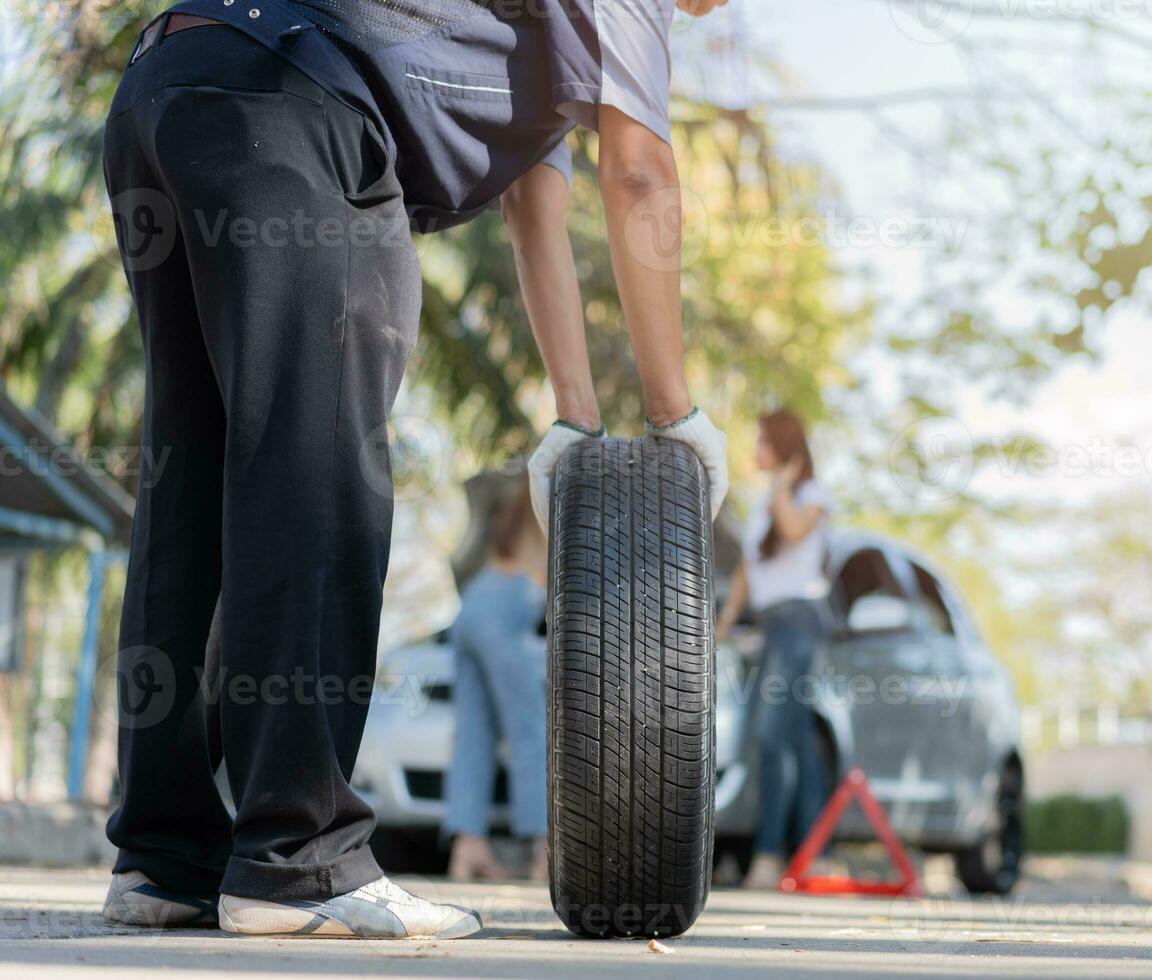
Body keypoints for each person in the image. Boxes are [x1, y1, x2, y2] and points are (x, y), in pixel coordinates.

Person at [100, 0, 728, 939]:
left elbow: (534, 204)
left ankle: (165, 856)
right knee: (315, 472)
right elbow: (637, 176)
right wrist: (677, 410)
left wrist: (577, 419)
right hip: (300, 109)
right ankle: (296, 860)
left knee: (189, 474)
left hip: (170, 83)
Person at [715, 410, 833, 890]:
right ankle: (814, 855)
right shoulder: (764, 504)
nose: (755, 450)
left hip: (800, 621)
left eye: (762, 442)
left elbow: (794, 532)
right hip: (773, 625)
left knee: (769, 736)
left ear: (784, 448)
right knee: (799, 743)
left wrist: (783, 485)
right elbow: (747, 569)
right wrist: (724, 621)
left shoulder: (810, 497)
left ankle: (767, 855)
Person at [443, 486, 549, 882]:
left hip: (473, 603)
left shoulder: (515, 507)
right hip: (505, 607)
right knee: (529, 730)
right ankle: (545, 850)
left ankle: (466, 847)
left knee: (474, 733)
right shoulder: (555, 499)